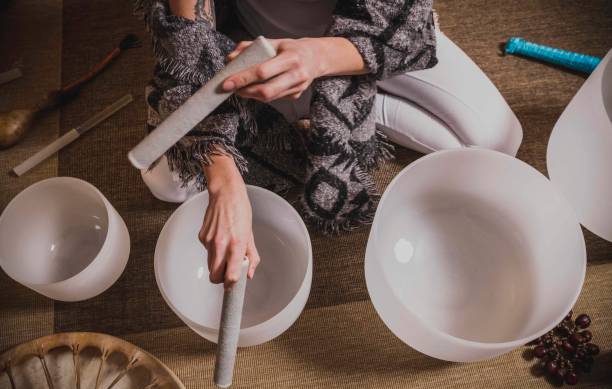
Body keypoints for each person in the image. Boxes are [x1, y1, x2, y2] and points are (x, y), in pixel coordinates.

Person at [139, 0, 522, 288]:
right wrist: (225, 183)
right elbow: (190, 41)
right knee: (166, 181)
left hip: (367, 35)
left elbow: (400, 17)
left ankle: (326, 106)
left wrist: (316, 59)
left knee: (497, 140)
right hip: (253, 42)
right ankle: (300, 106)